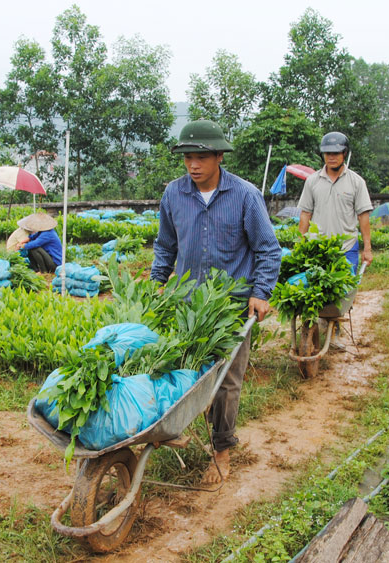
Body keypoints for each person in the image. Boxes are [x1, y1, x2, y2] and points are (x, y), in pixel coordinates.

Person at [151, 119, 281, 485]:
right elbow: (165, 245)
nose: (194, 164)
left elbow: (268, 249)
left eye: (202, 157)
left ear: (219, 156)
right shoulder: (173, 194)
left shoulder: (244, 195)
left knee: (225, 383)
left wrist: (260, 292)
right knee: (180, 369)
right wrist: (157, 283)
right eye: (188, 157)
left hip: (231, 307)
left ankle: (221, 451)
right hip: (188, 305)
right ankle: (176, 427)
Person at [297, 132, 374, 273]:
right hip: (318, 248)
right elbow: (305, 213)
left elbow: (363, 216)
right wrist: (300, 245)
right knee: (317, 291)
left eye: (336, 153)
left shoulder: (357, 182)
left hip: (347, 248)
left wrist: (367, 249)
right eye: (327, 153)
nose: (331, 157)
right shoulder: (312, 181)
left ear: (344, 153)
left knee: (346, 291)